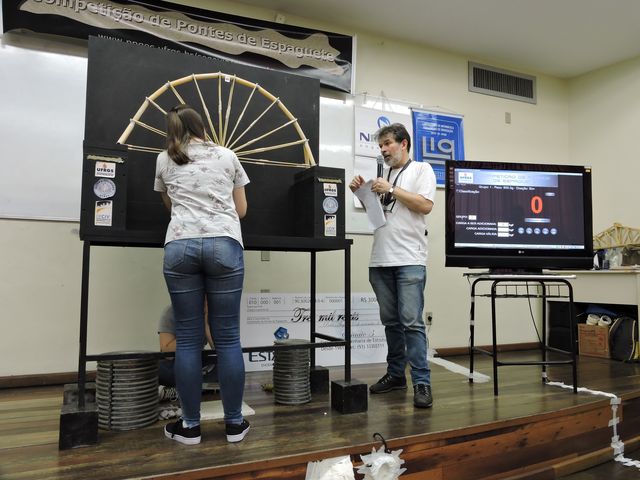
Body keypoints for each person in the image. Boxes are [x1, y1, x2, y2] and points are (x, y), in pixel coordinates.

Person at [154, 104, 250, 445]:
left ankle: (190, 426)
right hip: (224, 244)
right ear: (201, 126)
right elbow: (241, 210)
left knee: (188, 340)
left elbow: (170, 206)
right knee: (228, 338)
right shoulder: (227, 155)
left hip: (180, 246)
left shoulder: (164, 159)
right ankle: (234, 424)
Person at [349, 123, 436, 408]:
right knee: (391, 323)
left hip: (409, 259)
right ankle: (396, 375)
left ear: (404, 143)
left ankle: (422, 382)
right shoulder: (382, 175)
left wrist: (392, 188)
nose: (384, 150)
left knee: (412, 323)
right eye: (381, 146)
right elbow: (379, 213)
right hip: (380, 259)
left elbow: (425, 205)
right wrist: (361, 193)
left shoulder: (421, 169)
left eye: (388, 143)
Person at [157, 304, 218, 403]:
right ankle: (197, 389)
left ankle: (178, 391)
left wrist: (206, 325)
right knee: (156, 368)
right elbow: (167, 352)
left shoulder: (210, 313)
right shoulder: (171, 311)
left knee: (225, 366)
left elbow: (219, 351)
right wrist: (192, 328)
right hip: (175, 363)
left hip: (198, 364)